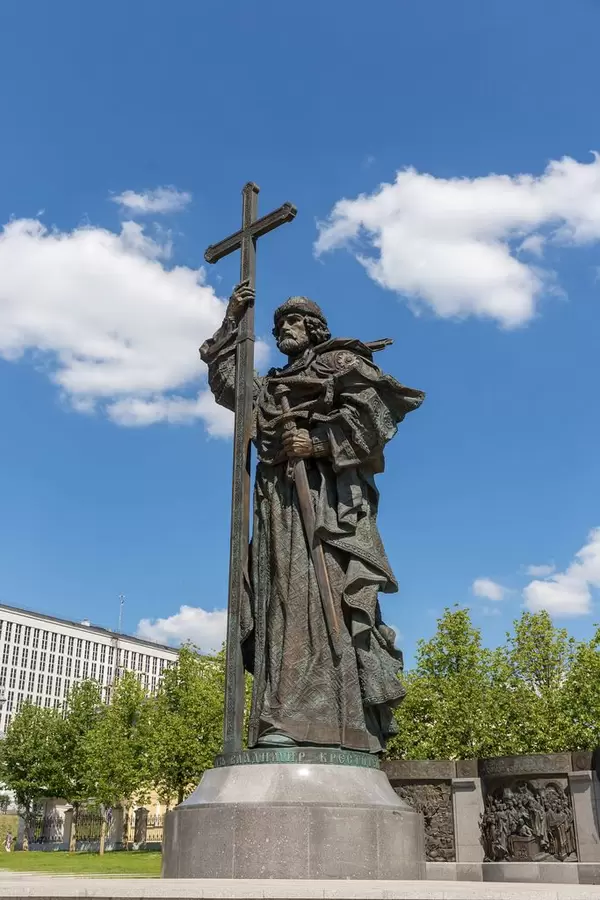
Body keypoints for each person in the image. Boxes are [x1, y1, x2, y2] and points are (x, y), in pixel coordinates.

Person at [201, 283, 424, 753]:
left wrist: (318, 444)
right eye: (278, 324)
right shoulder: (272, 387)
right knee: (277, 601)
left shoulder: (338, 365)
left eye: (293, 322)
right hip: (274, 504)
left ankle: (325, 718)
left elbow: (376, 420)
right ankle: (279, 711)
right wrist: (230, 323)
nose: (283, 329)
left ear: (314, 328)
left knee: (316, 601)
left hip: (322, 508)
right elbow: (230, 385)